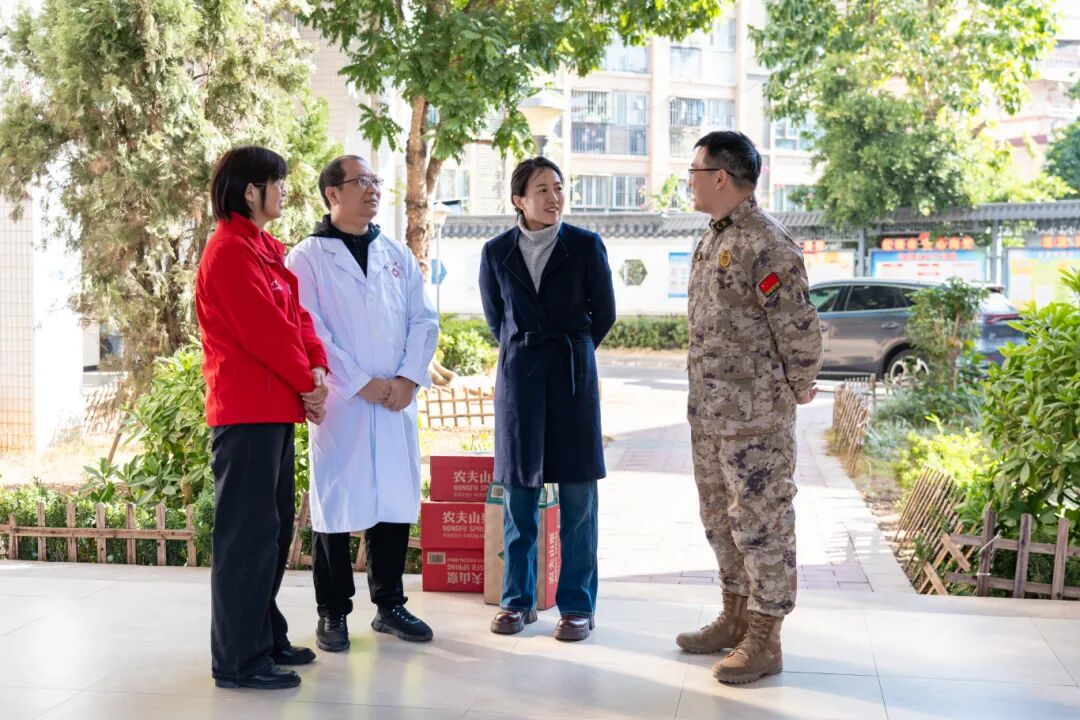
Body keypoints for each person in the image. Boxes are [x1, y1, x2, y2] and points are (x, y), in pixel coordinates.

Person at [674, 131, 822, 684]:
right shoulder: (714, 237)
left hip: (755, 420)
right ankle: (734, 615)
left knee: (763, 523)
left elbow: (800, 329)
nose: (689, 181)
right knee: (719, 518)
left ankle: (765, 638)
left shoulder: (767, 243)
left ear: (719, 177)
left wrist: (797, 387)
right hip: (711, 415)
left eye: (694, 171)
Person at [286, 155, 440, 651]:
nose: (373, 188)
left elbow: (423, 319)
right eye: (361, 181)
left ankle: (390, 605)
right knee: (336, 504)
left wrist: (408, 378)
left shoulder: (396, 253)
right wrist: (359, 383)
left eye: (375, 180)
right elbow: (309, 328)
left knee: (392, 499)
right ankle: (332, 611)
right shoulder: (306, 258)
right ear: (333, 194)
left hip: (396, 399)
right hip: (343, 403)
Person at [196, 145, 330, 690]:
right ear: (251, 191)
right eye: (277, 182)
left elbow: (297, 318)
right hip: (246, 413)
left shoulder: (262, 249)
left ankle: (263, 635)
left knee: (269, 533)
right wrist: (308, 384)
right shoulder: (228, 251)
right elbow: (265, 333)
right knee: (247, 538)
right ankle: (238, 660)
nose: (284, 191)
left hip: (273, 410)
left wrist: (316, 366)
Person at [479, 157, 616, 642]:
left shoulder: (585, 245)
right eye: (542, 189)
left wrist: (573, 351)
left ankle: (577, 605)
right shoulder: (496, 251)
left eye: (558, 187)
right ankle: (517, 601)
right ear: (519, 200)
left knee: (578, 499)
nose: (553, 197)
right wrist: (527, 351)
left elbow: (604, 313)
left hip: (572, 378)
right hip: (519, 380)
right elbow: (497, 319)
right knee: (519, 498)